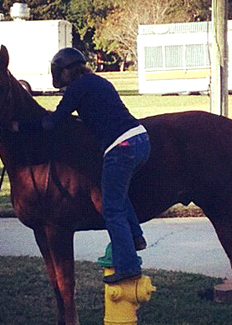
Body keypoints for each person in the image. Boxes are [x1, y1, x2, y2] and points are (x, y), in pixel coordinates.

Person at [13, 48, 150, 284]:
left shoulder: (77, 88)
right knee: (116, 193)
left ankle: (128, 266)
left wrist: (22, 128)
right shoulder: (98, 81)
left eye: (59, 72)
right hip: (140, 139)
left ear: (68, 71)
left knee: (111, 209)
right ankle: (136, 237)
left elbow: (53, 123)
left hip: (121, 147)